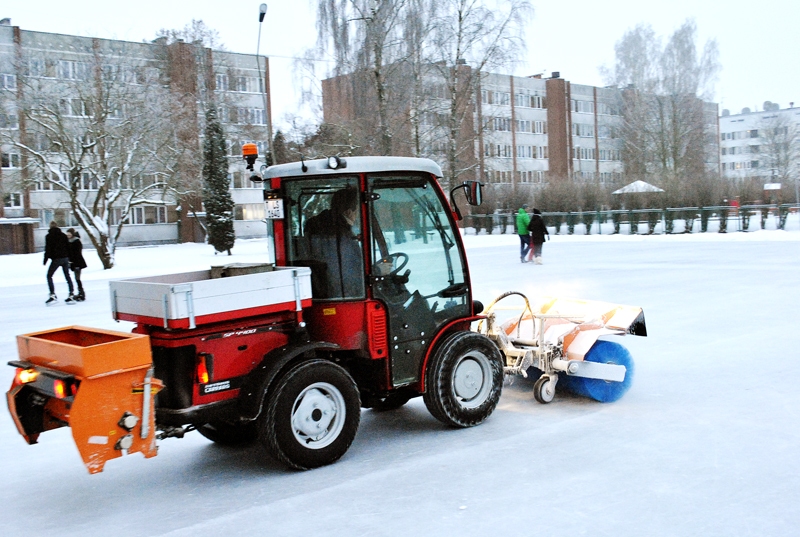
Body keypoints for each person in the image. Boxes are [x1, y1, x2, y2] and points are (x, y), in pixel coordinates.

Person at [304, 187, 365, 299]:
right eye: (359, 211)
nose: (358, 217)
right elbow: (346, 272)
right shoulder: (338, 234)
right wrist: (378, 270)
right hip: (343, 296)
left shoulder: (323, 226)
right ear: (349, 212)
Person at [43, 221, 75, 304]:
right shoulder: (63, 235)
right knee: (67, 276)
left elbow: (48, 249)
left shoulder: (49, 236)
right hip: (65, 258)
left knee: (49, 276)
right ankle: (71, 294)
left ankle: (52, 295)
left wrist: (45, 259)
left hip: (56, 259)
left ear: (50, 227)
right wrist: (70, 258)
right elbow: (68, 247)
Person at [66, 228, 87, 302]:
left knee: (77, 278)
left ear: (72, 234)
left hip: (77, 262)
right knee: (76, 278)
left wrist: (75, 263)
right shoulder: (68, 242)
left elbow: (77, 253)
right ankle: (80, 292)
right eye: (67, 235)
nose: (68, 236)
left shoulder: (76, 241)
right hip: (72, 262)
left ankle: (81, 293)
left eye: (69, 234)